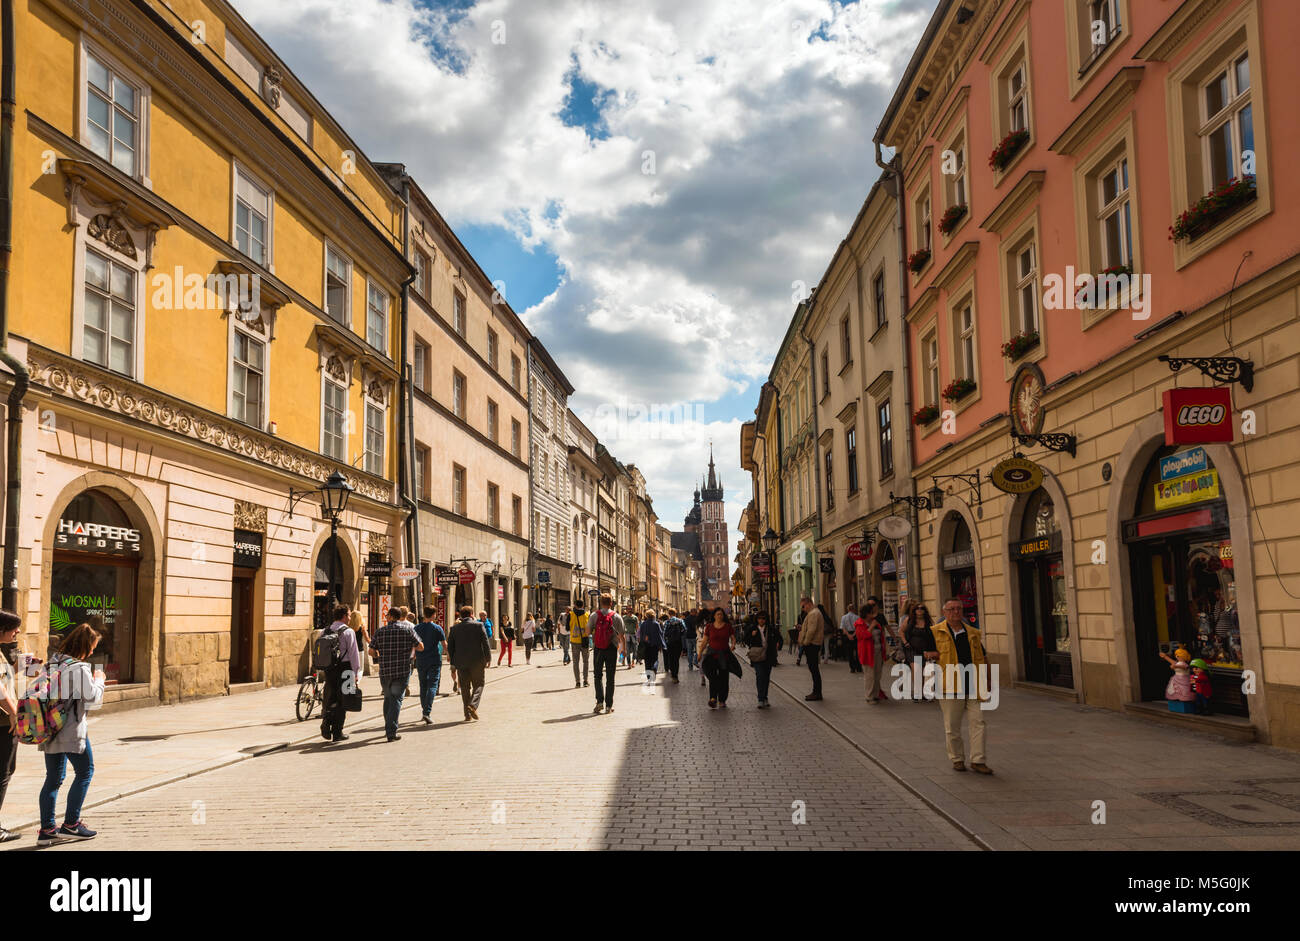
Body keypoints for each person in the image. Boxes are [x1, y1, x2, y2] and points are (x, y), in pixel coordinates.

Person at [36, 622, 106, 846]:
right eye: (93, 647)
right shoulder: (79, 668)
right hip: (71, 729)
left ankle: (47, 829)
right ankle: (71, 824)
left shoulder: (53, 663)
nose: (93, 651)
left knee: (53, 779)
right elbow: (92, 697)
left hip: (50, 728)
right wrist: (100, 680)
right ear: (85, 646)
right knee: (86, 771)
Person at [928, 599, 992, 774]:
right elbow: (923, 653)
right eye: (952, 609)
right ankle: (957, 759)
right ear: (945, 612)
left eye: (959, 608)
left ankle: (978, 760)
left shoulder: (973, 633)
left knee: (978, 722)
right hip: (949, 687)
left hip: (973, 685)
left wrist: (987, 680)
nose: (956, 612)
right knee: (952, 727)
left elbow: (983, 657)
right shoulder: (935, 632)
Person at [370, 607, 423, 741]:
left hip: (385, 670)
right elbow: (420, 646)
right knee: (396, 699)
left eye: (387, 615)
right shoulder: (408, 630)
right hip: (402, 669)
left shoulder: (380, 631)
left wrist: (378, 654)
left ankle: (388, 725)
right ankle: (391, 731)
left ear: (391, 617)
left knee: (388, 698)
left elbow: (371, 651)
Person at [319, 604, 361, 743]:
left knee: (330, 697)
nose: (350, 618)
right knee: (344, 699)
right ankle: (337, 732)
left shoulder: (325, 631)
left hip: (329, 669)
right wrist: (356, 672)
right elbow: (354, 654)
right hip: (346, 668)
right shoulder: (348, 632)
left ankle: (326, 723)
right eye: (349, 615)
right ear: (344, 616)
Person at [0, 609, 23, 843]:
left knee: (6, 770)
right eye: (14, 627)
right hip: (2, 723)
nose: (17, 632)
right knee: (2, 773)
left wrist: (18, 667)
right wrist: (15, 714)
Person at [446, 606, 491, 721]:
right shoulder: (478, 625)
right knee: (479, 684)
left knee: (465, 687)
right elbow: (485, 643)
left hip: (461, 663)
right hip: (477, 661)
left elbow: (450, 648)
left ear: (461, 616)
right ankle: (472, 705)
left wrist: (453, 663)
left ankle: (467, 714)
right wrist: (488, 658)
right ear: (472, 614)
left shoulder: (454, 628)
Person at [590, 594, 626, 714]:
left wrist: (596, 632)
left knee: (597, 675)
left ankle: (599, 702)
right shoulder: (616, 616)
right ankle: (608, 706)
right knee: (610, 677)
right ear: (611, 603)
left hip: (598, 648)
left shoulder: (594, 615)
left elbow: (587, 631)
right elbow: (621, 635)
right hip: (611, 648)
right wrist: (623, 650)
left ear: (601, 603)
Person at [856, 601, 896, 704]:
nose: (873, 615)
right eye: (871, 613)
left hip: (878, 651)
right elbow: (862, 636)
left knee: (878, 674)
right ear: (866, 614)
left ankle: (876, 694)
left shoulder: (875, 622)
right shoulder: (859, 623)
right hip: (867, 653)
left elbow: (881, 634)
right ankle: (869, 696)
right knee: (870, 675)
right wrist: (871, 627)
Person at [413, 606, 446, 724]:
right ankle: (427, 712)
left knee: (423, 685)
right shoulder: (437, 628)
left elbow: (413, 644)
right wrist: (448, 654)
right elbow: (444, 644)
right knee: (432, 685)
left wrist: (413, 657)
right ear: (433, 615)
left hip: (421, 659)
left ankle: (424, 711)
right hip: (434, 660)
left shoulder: (416, 628)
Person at [744, 609, 781, 708]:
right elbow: (745, 640)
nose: (761, 620)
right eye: (759, 618)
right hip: (757, 657)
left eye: (763, 618)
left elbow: (779, 638)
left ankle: (765, 697)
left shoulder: (771, 628)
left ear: (766, 619)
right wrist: (752, 636)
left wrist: (778, 645)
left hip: (768, 656)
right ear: (757, 619)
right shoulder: (752, 628)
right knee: (760, 676)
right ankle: (760, 699)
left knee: (766, 677)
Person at [702, 607, 737, 708]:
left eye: (721, 614)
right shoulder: (709, 627)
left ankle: (722, 700)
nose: (719, 616)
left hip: (724, 655)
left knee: (724, 678)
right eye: (717, 614)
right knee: (712, 677)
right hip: (711, 655)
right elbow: (705, 641)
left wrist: (733, 645)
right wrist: (700, 653)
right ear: (714, 616)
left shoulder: (728, 626)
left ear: (723, 616)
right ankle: (713, 698)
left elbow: (733, 638)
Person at [901, 602, 936, 702]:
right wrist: (905, 642)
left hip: (925, 650)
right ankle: (917, 693)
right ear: (914, 611)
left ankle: (923, 693)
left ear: (925, 611)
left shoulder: (928, 621)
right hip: (912, 649)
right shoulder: (909, 620)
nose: (920, 610)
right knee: (916, 670)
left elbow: (934, 634)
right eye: (917, 608)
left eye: (922, 608)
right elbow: (901, 631)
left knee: (924, 672)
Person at [798, 596, 826, 701]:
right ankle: (816, 691)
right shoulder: (814, 613)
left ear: (808, 603)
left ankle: (817, 692)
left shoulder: (814, 613)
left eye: (803, 606)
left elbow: (811, 630)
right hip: (812, 644)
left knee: (814, 668)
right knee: (813, 668)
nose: (803, 609)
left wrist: (805, 642)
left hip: (812, 644)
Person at [638, 608, 665, 685]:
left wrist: (642, 641)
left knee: (647, 661)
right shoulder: (656, 624)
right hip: (654, 645)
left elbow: (641, 635)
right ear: (653, 615)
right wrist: (661, 646)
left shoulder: (643, 624)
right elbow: (660, 635)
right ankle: (654, 670)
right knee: (655, 660)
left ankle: (649, 677)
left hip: (646, 645)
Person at [568, 602, 592, 688]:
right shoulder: (587, 615)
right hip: (585, 641)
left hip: (574, 641)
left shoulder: (570, 615)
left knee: (575, 663)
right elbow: (591, 628)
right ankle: (585, 681)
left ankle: (577, 682)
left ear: (575, 605)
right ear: (582, 606)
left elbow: (567, 628)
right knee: (585, 662)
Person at [662, 608, 685, 683]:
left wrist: (664, 643)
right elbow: (684, 630)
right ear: (675, 613)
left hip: (669, 643)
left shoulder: (666, 622)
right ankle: (676, 675)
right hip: (678, 643)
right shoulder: (680, 621)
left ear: (669, 614)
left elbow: (664, 633)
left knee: (671, 659)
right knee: (676, 659)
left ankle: (673, 675)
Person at [840, 605, 862, 674]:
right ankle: (858, 667)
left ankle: (852, 668)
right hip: (856, 634)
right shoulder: (857, 617)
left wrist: (848, 635)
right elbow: (859, 627)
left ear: (848, 609)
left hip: (848, 634)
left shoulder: (843, 617)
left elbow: (843, 628)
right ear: (854, 609)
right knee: (858, 651)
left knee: (850, 652)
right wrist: (853, 635)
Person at [349, 609, 370, 676]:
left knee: (351, 668)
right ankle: (357, 682)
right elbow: (367, 639)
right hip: (359, 649)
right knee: (360, 668)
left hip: (350, 649)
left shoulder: (348, 628)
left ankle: (352, 681)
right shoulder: (362, 628)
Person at [682, 608, 699, 672]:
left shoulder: (686, 619)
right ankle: (695, 661)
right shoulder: (697, 618)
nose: (696, 614)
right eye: (696, 612)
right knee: (698, 650)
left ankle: (690, 666)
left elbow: (684, 628)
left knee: (689, 652)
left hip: (688, 637)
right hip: (695, 636)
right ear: (694, 612)